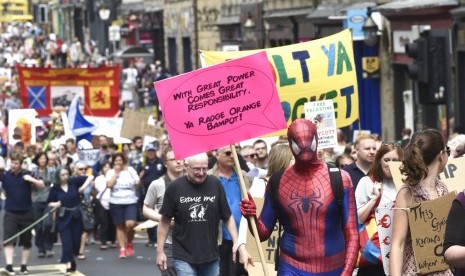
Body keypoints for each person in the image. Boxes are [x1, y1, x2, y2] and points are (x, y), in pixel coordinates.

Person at [240, 119, 359, 275]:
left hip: (333, 267)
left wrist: (347, 271)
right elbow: (262, 234)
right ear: (290, 143)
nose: (304, 148)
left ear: (316, 139)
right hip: (291, 266)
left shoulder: (339, 179)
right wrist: (252, 217)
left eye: (308, 142)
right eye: (299, 143)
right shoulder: (277, 181)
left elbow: (352, 233)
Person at [156, 153, 252, 276]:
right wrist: (160, 252)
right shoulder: (175, 187)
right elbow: (164, 222)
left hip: (210, 256)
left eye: (204, 168)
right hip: (183, 255)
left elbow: (227, 217)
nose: (201, 173)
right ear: (187, 167)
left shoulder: (215, 184)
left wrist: (236, 242)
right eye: (197, 169)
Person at [390, 129, 453, 276]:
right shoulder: (407, 193)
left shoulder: (442, 188)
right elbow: (397, 244)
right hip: (416, 271)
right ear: (440, 155)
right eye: (447, 151)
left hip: (443, 269)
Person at [355, 143, 403, 275]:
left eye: (395, 161)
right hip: (374, 259)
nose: (390, 164)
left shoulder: (406, 186)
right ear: (379, 162)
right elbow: (358, 219)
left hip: (402, 255)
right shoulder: (367, 182)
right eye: (386, 160)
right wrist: (374, 199)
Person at [208, 146, 252, 276]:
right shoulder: (208, 177)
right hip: (217, 236)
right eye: (228, 153)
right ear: (217, 155)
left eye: (234, 153)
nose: (232, 156)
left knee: (237, 273)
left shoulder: (243, 176)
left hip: (241, 237)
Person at [1, 153, 45, 275]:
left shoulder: (28, 173)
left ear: (21, 164)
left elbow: (42, 185)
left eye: (16, 163)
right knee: (8, 239)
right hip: (10, 212)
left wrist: (31, 180)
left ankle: (23, 266)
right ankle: (9, 266)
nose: (13, 165)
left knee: (26, 241)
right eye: (12, 162)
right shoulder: (5, 175)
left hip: (26, 212)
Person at [143, 146, 184, 275]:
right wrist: (162, 218)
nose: (179, 162)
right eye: (174, 159)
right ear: (165, 163)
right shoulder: (157, 184)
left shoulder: (194, 182)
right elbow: (146, 208)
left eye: (181, 158)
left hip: (191, 242)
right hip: (169, 242)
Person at [48, 166, 94, 275]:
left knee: (75, 242)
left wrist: (83, 187)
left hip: (76, 216)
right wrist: (55, 204)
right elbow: (49, 202)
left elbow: (91, 176)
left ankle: (72, 259)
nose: (65, 177)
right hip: (63, 217)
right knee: (66, 241)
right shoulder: (55, 188)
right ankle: (68, 264)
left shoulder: (73, 182)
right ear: (58, 177)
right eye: (62, 175)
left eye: (66, 174)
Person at [106, 152, 140, 259]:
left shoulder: (130, 170)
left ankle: (129, 242)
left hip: (130, 201)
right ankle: (122, 249)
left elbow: (138, 182)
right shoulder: (110, 172)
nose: (118, 163)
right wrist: (116, 173)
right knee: (119, 225)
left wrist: (138, 182)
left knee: (130, 224)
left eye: (120, 161)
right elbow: (109, 185)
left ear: (123, 161)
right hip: (116, 201)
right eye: (116, 161)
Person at [138, 142, 166, 247]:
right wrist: (140, 176)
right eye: (149, 151)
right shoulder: (142, 164)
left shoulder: (161, 162)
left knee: (159, 214)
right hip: (146, 193)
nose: (151, 153)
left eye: (152, 151)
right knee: (148, 215)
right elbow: (137, 180)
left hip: (160, 192)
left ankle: (160, 239)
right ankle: (151, 239)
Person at [31, 152, 56, 258]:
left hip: (48, 200)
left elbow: (54, 184)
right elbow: (30, 185)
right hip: (36, 200)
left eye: (44, 159)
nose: (43, 160)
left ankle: (48, 246)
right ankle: (40, 248)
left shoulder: (51, 171)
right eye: (40, 158)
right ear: (37, 160)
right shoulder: (33, 171)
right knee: (38, 226)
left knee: (48, 224)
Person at [94, 161, 116, 250]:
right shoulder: (99, 178)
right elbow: (100, 188)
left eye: (108, 167)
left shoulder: (114, 178)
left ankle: (113, 240)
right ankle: (103, 241)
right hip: (102, 202)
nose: (107, 169)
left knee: (113, 222)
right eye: (105, 167)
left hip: (113, 201)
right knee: (104, 222)